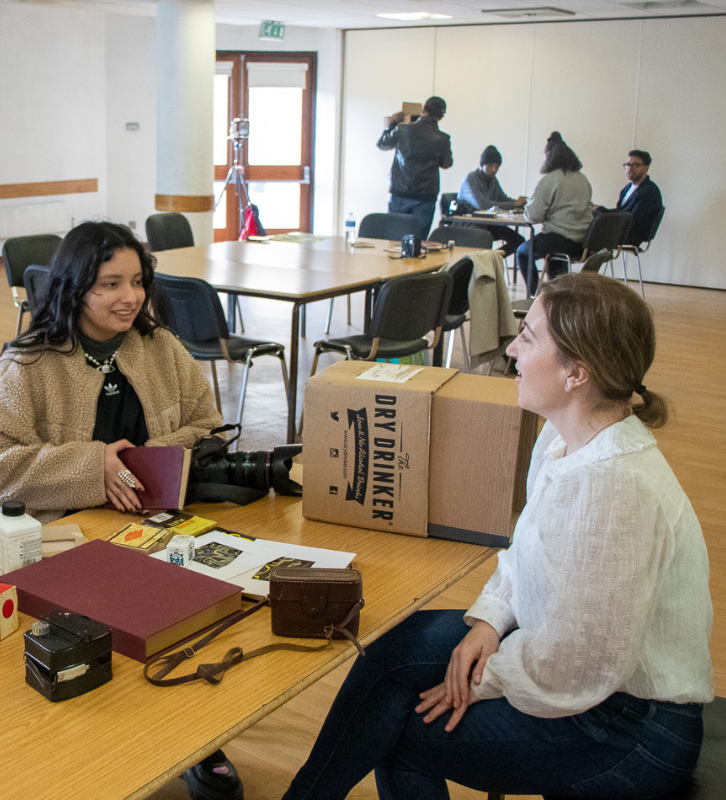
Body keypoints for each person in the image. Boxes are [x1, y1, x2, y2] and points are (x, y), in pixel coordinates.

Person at [282, 271, 712, 800]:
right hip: (580, 675)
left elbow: (578, 665)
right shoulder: (564, 436)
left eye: (528, 338)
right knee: (389, 653)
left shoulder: (613, 488)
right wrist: (489, 621)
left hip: (630, 730)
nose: (511, 349)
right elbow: (526, 552)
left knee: (401, 731)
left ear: (577, 373)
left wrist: (485, 679)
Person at [0, 221, 236, 800]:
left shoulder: (159, 347)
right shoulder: (25, 366)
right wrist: (91, 467)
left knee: (197, 606)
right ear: (75, 287)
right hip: (43, 534)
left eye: (137, 281)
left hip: (140, 522)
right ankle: (93, 757)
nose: (129, 297)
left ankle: (194, 735)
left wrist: (136, 462)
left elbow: (207, 426)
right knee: (112, 614)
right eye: (110, 284)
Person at [516, 131, 593, 295]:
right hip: (582, 242)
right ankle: (559, 295)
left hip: (558, 238)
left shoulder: (550, 179)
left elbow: (533, 216)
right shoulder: (583, 179)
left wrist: (527, 208)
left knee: (522, 252)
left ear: (549, 155)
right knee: (553, 254)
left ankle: (534, 294)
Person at [377, 96, 454, 239]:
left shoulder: (402, 129)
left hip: (400, 193)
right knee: (418, 242)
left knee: (394, 239)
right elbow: (447, 163)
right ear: (441, 117)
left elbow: (383, 143)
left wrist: (393, 123)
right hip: (426, 197)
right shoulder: (442, 138)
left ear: (423, 110)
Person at [457, 145, 526, 256]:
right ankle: (486, 260)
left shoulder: (493, 180)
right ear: (482, 165)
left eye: (497, 166)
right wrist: (514, 204)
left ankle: (492, 259)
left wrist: (520, 204)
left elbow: (503, 199)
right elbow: (482, 205)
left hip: (487, 223)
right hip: (468, 223)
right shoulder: (470, 179)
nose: (494, 170)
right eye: (490, 166)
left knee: (518, 241)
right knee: (484, 238)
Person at [596, 149, 663, 247]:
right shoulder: (627, 188)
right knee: (589, 220)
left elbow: (633, 219)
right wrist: (599, 210)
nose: (630, 168)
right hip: (620, 231)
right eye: (628, 165)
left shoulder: (650, 191)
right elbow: (620, 211)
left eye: (635, 165)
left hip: (632, 235)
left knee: (589, 232)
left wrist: (603, 213)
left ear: (646, 168)